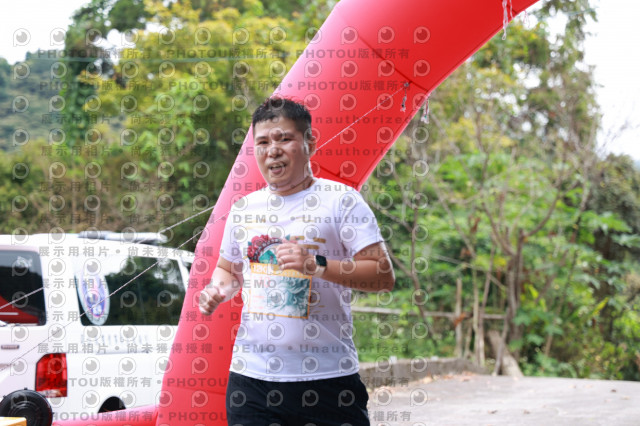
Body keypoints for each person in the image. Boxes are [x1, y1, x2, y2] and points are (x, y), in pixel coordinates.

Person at [199, 97, 395, 426]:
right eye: (263, 142)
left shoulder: (342, 201)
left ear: (310, 143)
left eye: (284, 139)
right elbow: (228, 270)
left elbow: (382, 275)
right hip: (251, 381)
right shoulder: (244, 208)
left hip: (327, 379)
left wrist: (315, 264)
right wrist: (218, 289)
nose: (272, 150)